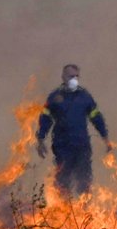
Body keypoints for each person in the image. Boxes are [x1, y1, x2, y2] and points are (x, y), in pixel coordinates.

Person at [36, 64, 112, 197]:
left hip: (82, 146)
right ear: (63, 77)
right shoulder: (55, 97)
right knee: (63, 182)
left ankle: (84, 212)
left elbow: (96, 118)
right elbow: (45, 119)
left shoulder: (85, 97)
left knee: (84, 181)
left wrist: (105, 138)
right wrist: (41, 139)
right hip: (62, 146)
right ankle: (64, 212)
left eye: (77, 76)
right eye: (71, 76)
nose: (74, 79)